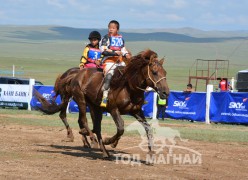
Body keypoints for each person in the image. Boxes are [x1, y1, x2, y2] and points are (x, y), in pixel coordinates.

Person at [99, 20, 131, 107]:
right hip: (109, 61)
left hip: (120, 62)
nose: (110, 29)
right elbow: (103, 50)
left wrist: (126, 54)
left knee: (130, 74)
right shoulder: (105, 38)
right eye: (109, 28)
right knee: (109, 75)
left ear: (117, 29)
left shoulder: (121, 39)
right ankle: (104, 96)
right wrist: (114, 53)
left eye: (113, 28)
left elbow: (122, 49)